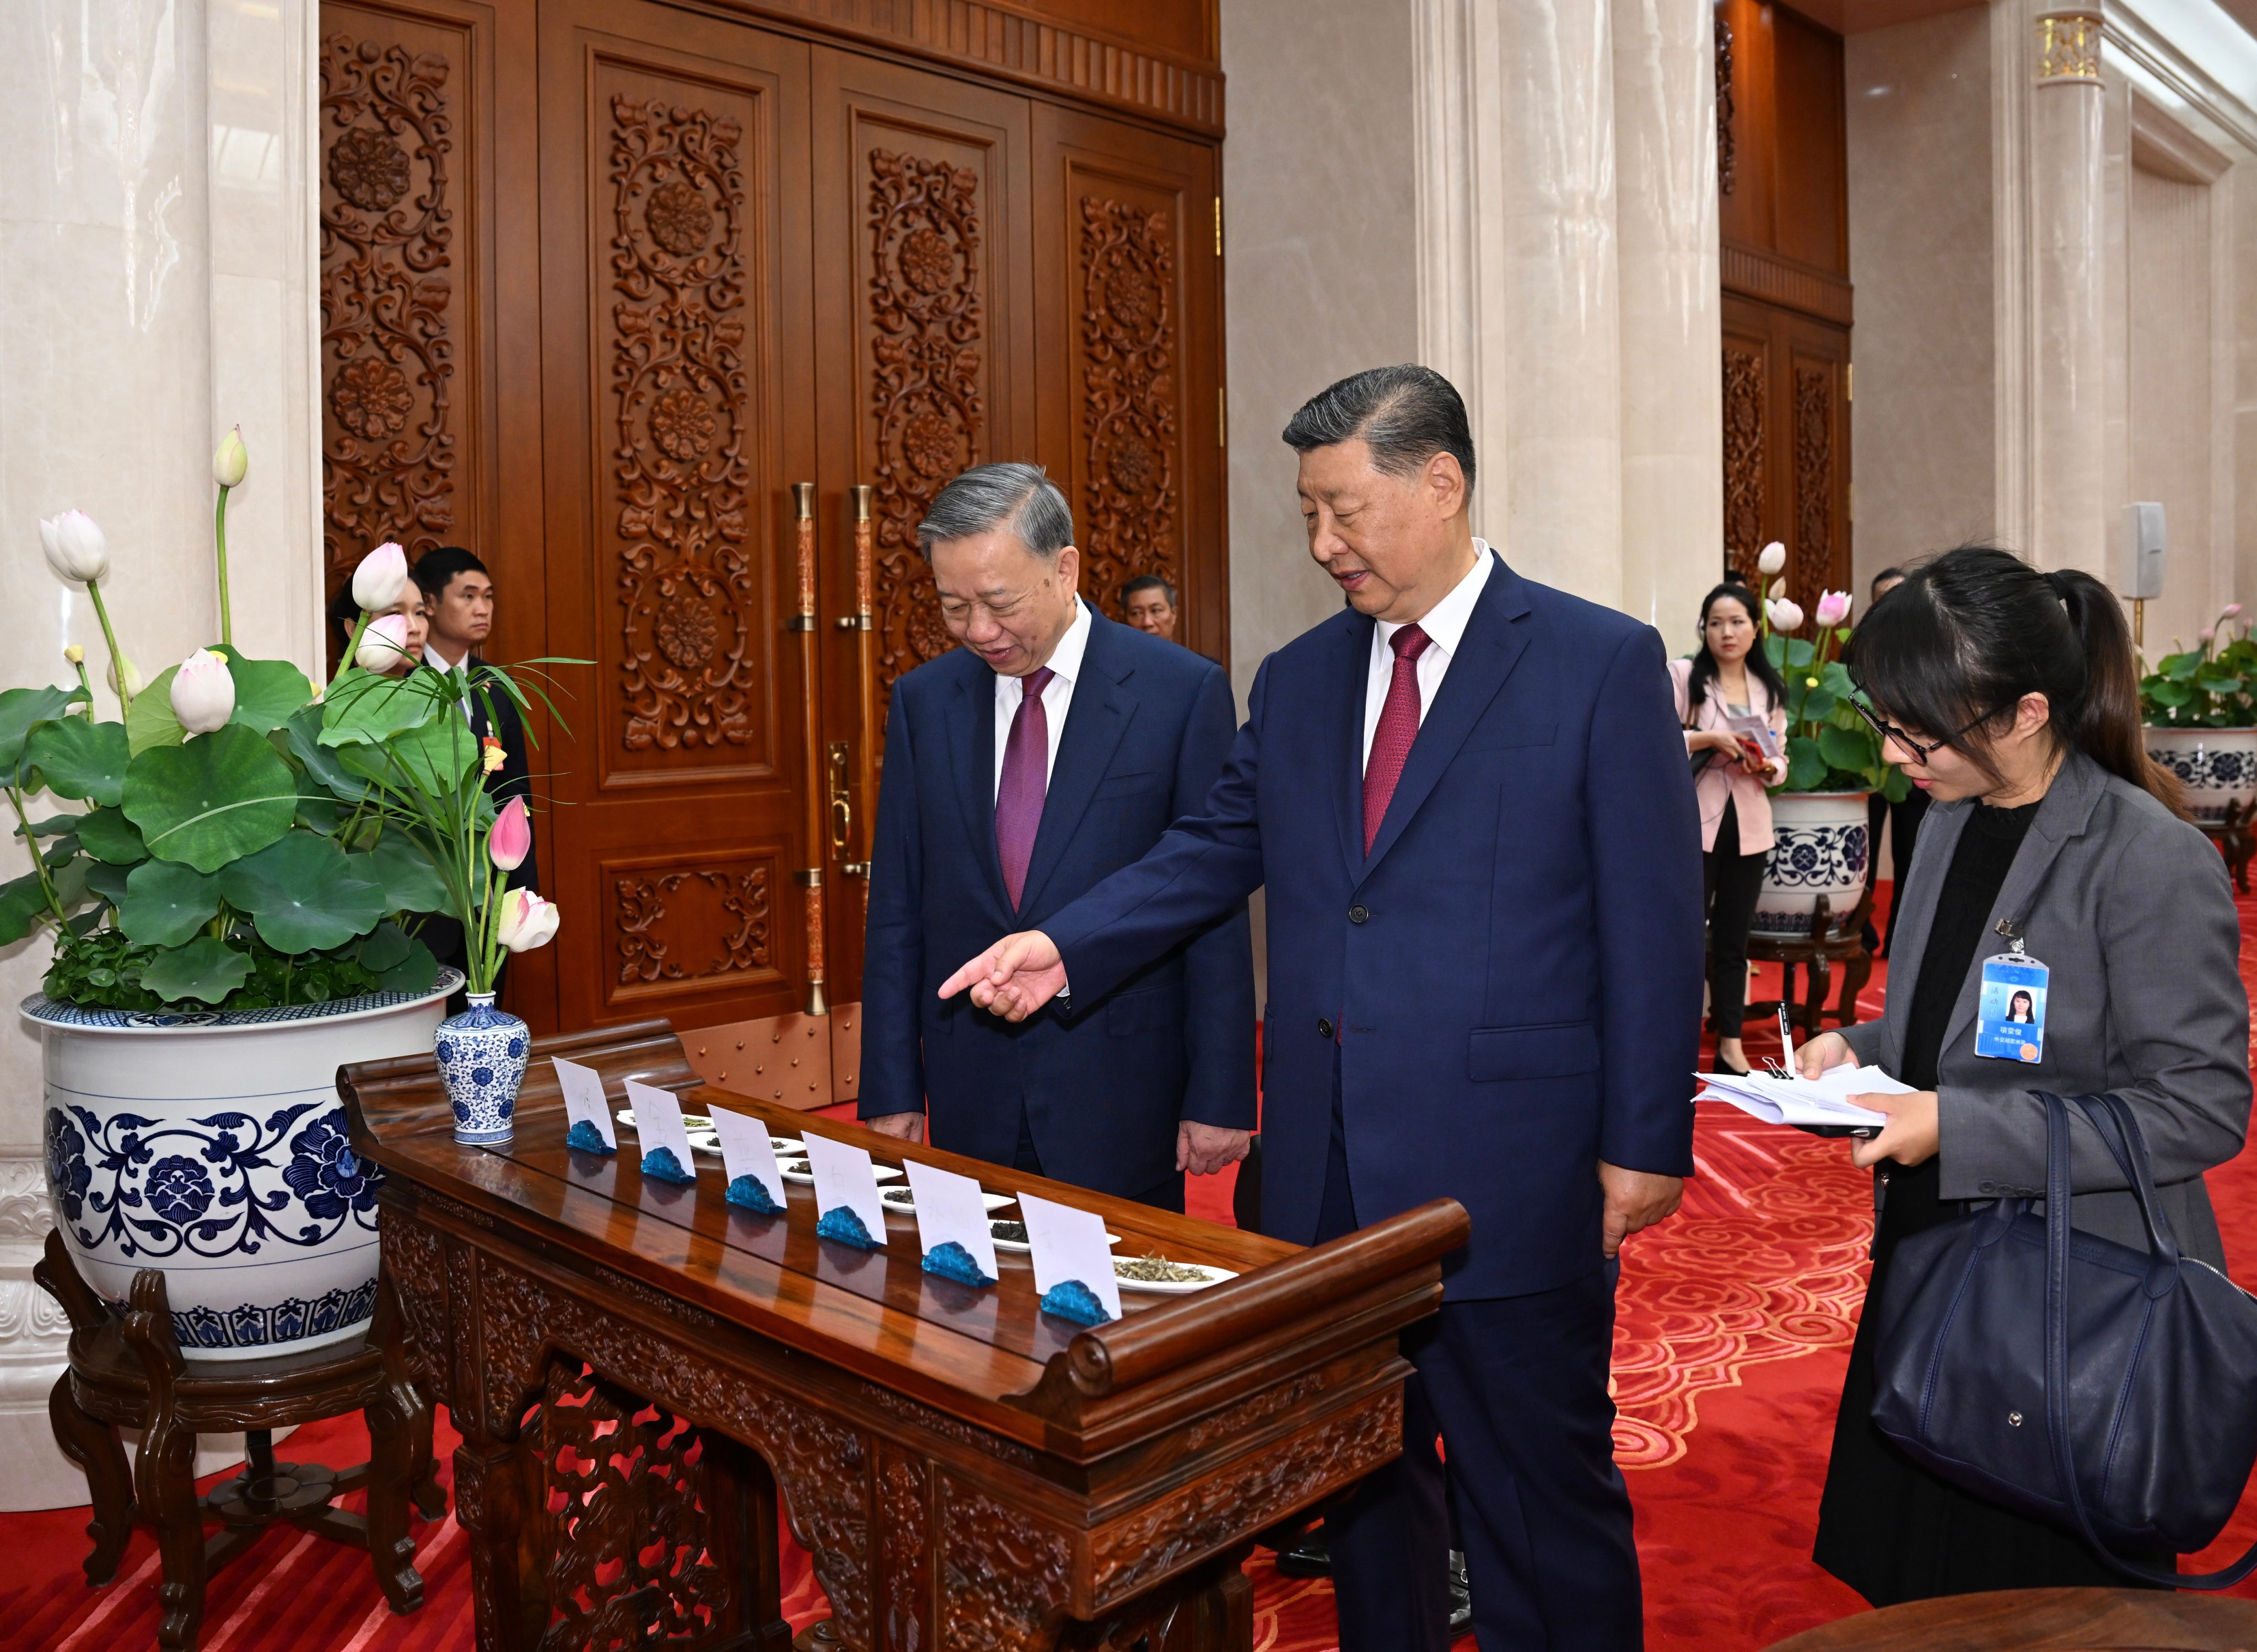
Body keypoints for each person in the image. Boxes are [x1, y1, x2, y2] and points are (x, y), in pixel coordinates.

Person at [938, 366, 1705, 1650]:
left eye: (1344, 509)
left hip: (1507, 1171)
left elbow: (1652, 918)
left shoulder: (1594, 660)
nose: (1323, 544)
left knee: (1535, 1491)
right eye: (1307, 515)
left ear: (1441, 482)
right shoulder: (1298, 680)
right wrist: (1066, 944)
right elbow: (1212, 847)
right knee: (1361, 1486)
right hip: (1325, 1176)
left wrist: (1645, 1137)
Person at [1798, 544, 2250, 1604]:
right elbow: (1951, 1029)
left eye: (1922, 730)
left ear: (2025, 712)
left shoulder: (2145, 856)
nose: (1900, 753)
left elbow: (2200, 1106)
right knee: (1919, 1583)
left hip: (2067, 1300)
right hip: (1935, 1255)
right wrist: (1851, 1057)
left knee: (2032, 1601)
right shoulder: (1948, 821)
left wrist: (1957, 1123)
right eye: (1887, 723)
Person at [859, 463, 1254, 1209]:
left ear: (1063, 566)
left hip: (1120, 1088)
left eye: (998, 602)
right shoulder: (924, 701)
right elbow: (898, 906)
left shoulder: (1178, 692)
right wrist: (889, 1082)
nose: (978, 630)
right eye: (953, 606)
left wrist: (1220, 1092)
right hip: (969, 1086)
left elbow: (1211, 900)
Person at [1673, 582, 1790, 1075]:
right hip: (1694, 823)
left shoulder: (1769, 687)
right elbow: (1657, 739)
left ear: (1755, 628)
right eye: (1716, 623)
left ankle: (1730, 1042)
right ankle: (1673, 1039)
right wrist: (1709, 737)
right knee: (1682, 936)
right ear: (1704, 629)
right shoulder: (1684, 677)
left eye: (1737, 622)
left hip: (1749, 825)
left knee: (1732, 942)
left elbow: (1782, 756)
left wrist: (1770, 769)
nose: (1727, 632)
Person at [410, 546, 536, 988]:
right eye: (467, 596)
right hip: (419, 902)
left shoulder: (496, 685)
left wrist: (521, 892)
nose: (482, 609)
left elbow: (515, 794)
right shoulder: (397, 682)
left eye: (488, 597)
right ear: (429, 603)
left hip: (487, 896)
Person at [1863, 565, 1929, 957]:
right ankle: (1861, 938)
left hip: (1915, 770)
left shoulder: (1930, 654)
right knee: (1864, 860)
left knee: (1910, 855)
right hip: (1867, 769)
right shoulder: (1857, 650)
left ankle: (1898, 943)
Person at [1122, 574, 1179, 640]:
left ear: (1174, 614)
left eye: (1155, 611)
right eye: (1137, 613)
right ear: (1125, 619)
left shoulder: (1185, 651)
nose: (1147, 623)